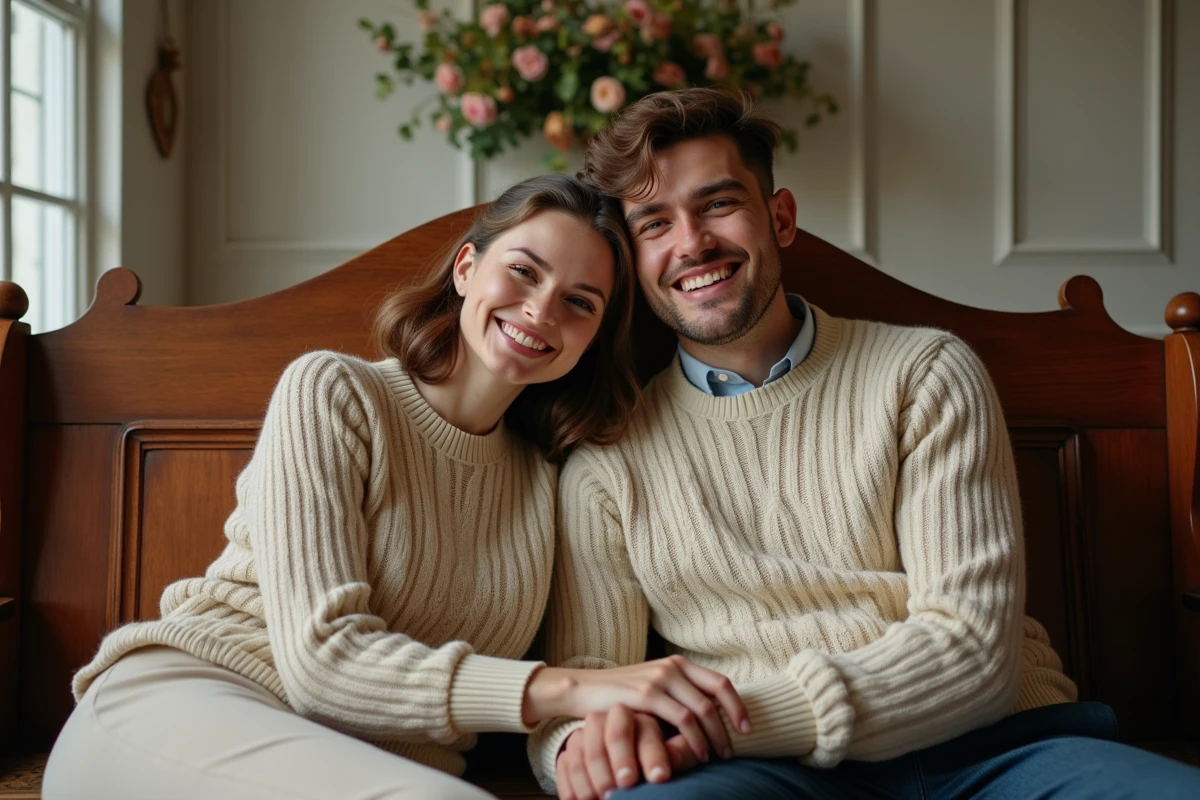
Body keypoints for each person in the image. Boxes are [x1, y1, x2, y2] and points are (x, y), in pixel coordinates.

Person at [530, 89, 1200, 799]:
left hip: (996, 749)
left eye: (719, 204)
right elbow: (582, 683)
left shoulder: (923, 373)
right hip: (757, 775)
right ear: (630, 261)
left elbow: (972, 651)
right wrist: (579, 743)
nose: (691, 242)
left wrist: (726, 722)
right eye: (655, 223)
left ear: (779, 219)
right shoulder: (607, 459)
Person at [43, 174, 749, 800]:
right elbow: (323, 660)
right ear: (468, 268)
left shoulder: (549, 479)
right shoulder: (336, 392)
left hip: (369, 770)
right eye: (524, 272)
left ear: (595, 337)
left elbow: (587, 677)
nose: (541, 310)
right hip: (185, 708)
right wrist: (571, 689)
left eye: (580, 302)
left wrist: (587, 730)